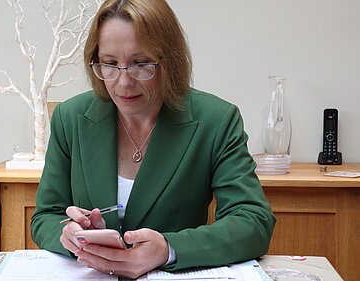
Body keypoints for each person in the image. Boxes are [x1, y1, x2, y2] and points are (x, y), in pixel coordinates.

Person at [31, 0, 276, 279]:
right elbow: (45, 217)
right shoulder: (70, 117)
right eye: (109, 64)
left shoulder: (216, 120)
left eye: (141, 64)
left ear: (169, 59)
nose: (123, 83)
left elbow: (253, 222)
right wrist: (70, 235)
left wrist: (168, 248)